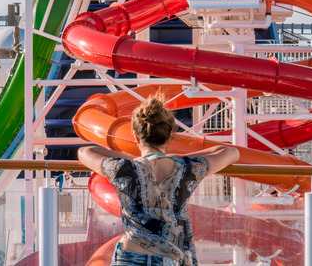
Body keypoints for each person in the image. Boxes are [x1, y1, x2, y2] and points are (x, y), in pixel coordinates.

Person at [78, 95, 239, 266]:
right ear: (170, 135)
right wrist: (179, 158)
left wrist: (133, 159)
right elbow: (230, 152)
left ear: (135, 135)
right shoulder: (186, 168)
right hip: (168, 258)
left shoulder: (125, 168)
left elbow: (85, 152)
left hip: (129, 255)